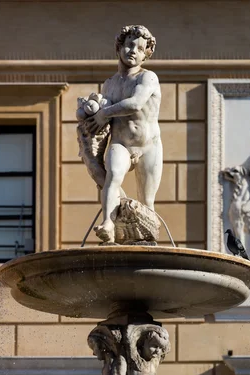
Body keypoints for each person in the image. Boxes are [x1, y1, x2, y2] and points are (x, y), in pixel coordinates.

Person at [85, 25, 162, 243]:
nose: (133, 51)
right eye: (129, 45)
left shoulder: (147, 78)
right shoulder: (109, 84)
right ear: (119, 47)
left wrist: (104, 113)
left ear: (146, 54)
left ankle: (148, 239)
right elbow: (101, 115)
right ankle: (108, 224)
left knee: (147, 200)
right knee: (113, 177)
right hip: (121, 143)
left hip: (149, 146)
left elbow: (136, 103)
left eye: (140, 48)